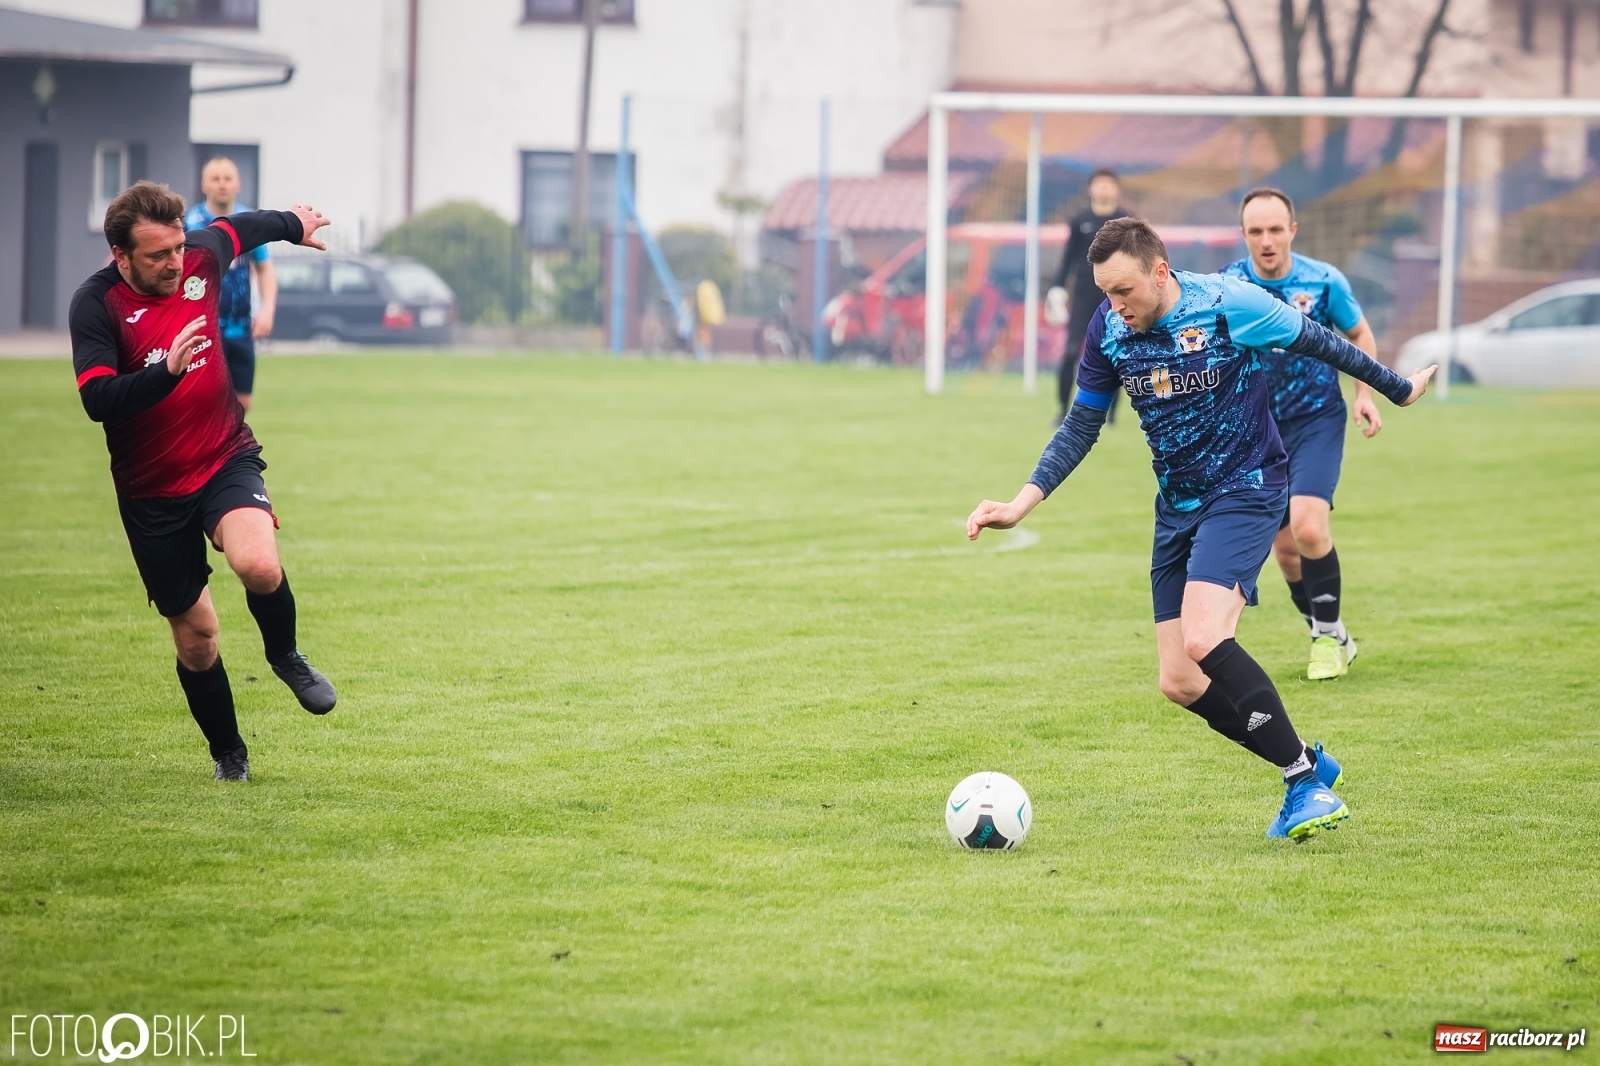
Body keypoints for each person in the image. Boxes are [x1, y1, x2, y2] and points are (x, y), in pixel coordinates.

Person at [967, 218, 1436, 840]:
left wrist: (1395, 388)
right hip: (1177, 505)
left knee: (1204, 638)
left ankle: (1303, 782)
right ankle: (1310, 762)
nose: (1115, 305)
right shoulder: (1108, 329)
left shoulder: (1226, 304)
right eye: (1105, 291)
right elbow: (1082, 425)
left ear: (1160, 273)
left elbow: (1320, 341)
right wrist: (1022, 502)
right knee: (1180, 680)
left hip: (1247, 489)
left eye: (1124, 291)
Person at [69, 181, 336, 783]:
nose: (175, 262)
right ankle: (230, 758)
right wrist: (165, 371)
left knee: (260, 565)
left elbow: (243, 228)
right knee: (198, 639)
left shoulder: (200, 259)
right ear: (121, 257)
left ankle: (285, 656)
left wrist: (294, 222)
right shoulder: (96, 305)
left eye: (178, 248)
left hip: (223, 456)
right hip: (152, 491)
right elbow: (97, 399)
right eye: (158, 255)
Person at [1222, 188, 1378, 681]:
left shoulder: (1324, 281)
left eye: (1274, 229)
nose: (1266, 241)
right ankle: (1330, 629)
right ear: (1243, 235)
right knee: (1285, 548)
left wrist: (1365, 396)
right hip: (1258, 427)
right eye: (1255, 231)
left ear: (1293, 230)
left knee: (1309, 526)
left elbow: (1360, 336)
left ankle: (1326, 639)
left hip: (1316, 418)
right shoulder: (1227, 285)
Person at [184, 157, 277, 411]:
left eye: (227, 178)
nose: (222, 184)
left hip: (240, 327)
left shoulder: (249, 223)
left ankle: (226, 449)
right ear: (204, 185)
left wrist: (267, 310)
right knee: (206, 400)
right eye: (215, 178)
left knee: (242, 403)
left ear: (238, 184)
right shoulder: (192, 223)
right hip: (204, 326)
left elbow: (265, 268)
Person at [1046, 168, 1127, 424]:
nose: (1104, 189)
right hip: (1081, 299)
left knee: (1115, 356)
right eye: (1099, 184)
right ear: (1091, 188)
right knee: (1071, 352)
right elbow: (1068, 260)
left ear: (1116, 189)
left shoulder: (1126, 221)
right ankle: (1062, 410)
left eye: (1109, 184)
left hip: (1114, 299)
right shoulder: (1079, 220)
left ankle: (1111, 414)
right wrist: (1056, 290)